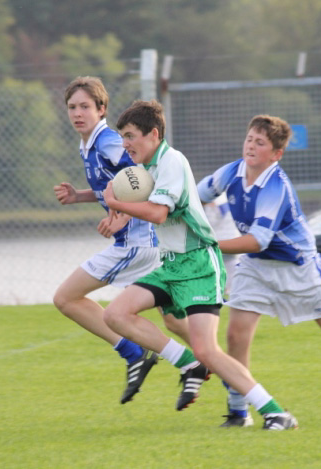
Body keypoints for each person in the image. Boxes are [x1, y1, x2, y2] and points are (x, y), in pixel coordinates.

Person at [102, 99, 297, 430]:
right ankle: (187, 361)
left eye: (131, 135)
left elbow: (159, 213)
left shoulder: (172, 162)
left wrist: (116, 202)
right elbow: (151, 211)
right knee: (115, 314)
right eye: (123, 136)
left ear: (153, 134)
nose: (125, 143)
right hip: (172, 264)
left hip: (199, 265)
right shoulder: (148, 169)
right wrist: (121, 215)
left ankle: (275, 411)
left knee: (209, 350)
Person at [197, 114, 321, 427]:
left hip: (297, 266)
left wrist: (208, 243)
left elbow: (257, 240)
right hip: (256, 267)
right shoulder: (232, 171)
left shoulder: (276, 186)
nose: (251, 146)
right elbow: (196, 196)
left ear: (276, 154)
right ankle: (238, 412)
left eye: (260, 143)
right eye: (249, 139)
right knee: (236, 335)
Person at [53, 76, 190, 405]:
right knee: (175, 321)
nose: (77, 113)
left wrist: (123, 217)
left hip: (136, 244)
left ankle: (136, 353)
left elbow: (142, 176)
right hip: (144, 244)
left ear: (101, 110)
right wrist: (80, 196)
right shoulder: (88, 144)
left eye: (85, 106)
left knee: (66, 298)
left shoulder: (107, 141)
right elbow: (113, 186)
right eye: (72, 107)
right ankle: (226, 377)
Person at [202, 193, 240, 295]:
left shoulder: (213, 200)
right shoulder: (229, 197)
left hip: (219, 240)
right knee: (230, 270)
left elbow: (212, 221)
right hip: (232, 240)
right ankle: (230, 290)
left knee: (215, 268)